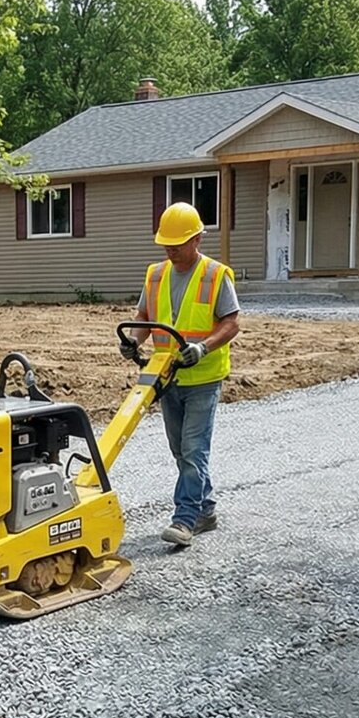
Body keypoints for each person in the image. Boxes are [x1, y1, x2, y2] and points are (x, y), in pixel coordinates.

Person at [133, 201, 241, 549]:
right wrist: (133, 341)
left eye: (177, 243)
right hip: (167, 377)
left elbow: (231, 323)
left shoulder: (215, 274)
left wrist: (203, 347)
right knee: (180, 449)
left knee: (194, 448)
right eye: (166, 243)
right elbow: (144, 315)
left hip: (203, 378)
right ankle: (206, 508)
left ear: (197, 239)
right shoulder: (156, 274)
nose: (170, 249)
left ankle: (185, 519)